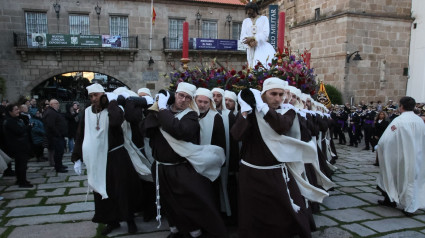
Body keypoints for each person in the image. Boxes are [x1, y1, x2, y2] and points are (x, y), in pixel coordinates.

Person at [231, 78, 325, 238]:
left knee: (282, 209)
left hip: (275, 171)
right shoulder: (253, 113)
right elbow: (236, 135)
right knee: (252, 209)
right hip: (251, 172)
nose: (277, 98)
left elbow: (281, 126)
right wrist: (245, 111)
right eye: (273, 94)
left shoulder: (288, 111)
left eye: (281, 94)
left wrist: (263, 109)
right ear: (264, 94)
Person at [144, 82, 227, 238]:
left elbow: (179, 131)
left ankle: (194, 231)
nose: (183, 100)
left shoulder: (191, 116)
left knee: (186, 203)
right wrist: (156, 108)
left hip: (179, 168)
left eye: (188, 97)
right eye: (181, 95)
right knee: (167, 201)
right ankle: (174, 229)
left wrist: (162, 111)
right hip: (161, 167)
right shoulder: (164, 111)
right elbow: (146, 129)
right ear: (175, 95)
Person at [72, 84, 143, 235]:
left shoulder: (113, 109)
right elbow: (81, 135)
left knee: (122, 190)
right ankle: (112, 221)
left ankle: (129, 220)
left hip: (115, 156)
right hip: (97, 159)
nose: (93, 99)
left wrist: (111, 102)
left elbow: (116, 122)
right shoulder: (86, 112)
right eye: (91, 96)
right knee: (101, 190)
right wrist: (77, 157)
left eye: (96, 95)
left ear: (103, 95)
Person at [376, 96, 425, 216]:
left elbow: (385, 140)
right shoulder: (419, 120)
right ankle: (389, 200)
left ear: (401, 106)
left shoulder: (399, 120)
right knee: (412, 179)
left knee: (400, 179)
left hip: (401, 156)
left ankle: (409, 207)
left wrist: (379, 147)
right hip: (417, 156)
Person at [2, 104, 33, 187]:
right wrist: (28, 127)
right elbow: (19, 131)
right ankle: (22, 182)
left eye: (18, 109)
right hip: (18, 146)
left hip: (21, 145)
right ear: (10, 112)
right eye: (15, 110)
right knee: (21, 165)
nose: (18, 111)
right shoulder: (9, 121)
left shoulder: (15, 119)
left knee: (20, 164)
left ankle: (21, 180)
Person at [240, 2, 275, 68]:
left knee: (262, 66)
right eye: (247, 10)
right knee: (251, 68)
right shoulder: (245, 21)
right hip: (250, 48)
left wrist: (254, 39)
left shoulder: (264, 19)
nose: (248, 12)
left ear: (255, 9)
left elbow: (265, 33)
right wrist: (249, 42)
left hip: (262, 47)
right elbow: (243, 35)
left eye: (249, 10)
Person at [43, 99, 68, 173]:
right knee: (58, 152)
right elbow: (51, 125)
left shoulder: (53, 112)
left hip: (59, 136)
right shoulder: (50, 112)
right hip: (56, 137)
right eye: (56, 103)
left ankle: (60, 164)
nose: (58, 104)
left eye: (58, 103)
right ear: (51, 104)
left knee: (60, 152)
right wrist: (58, 134)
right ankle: (58, 167)